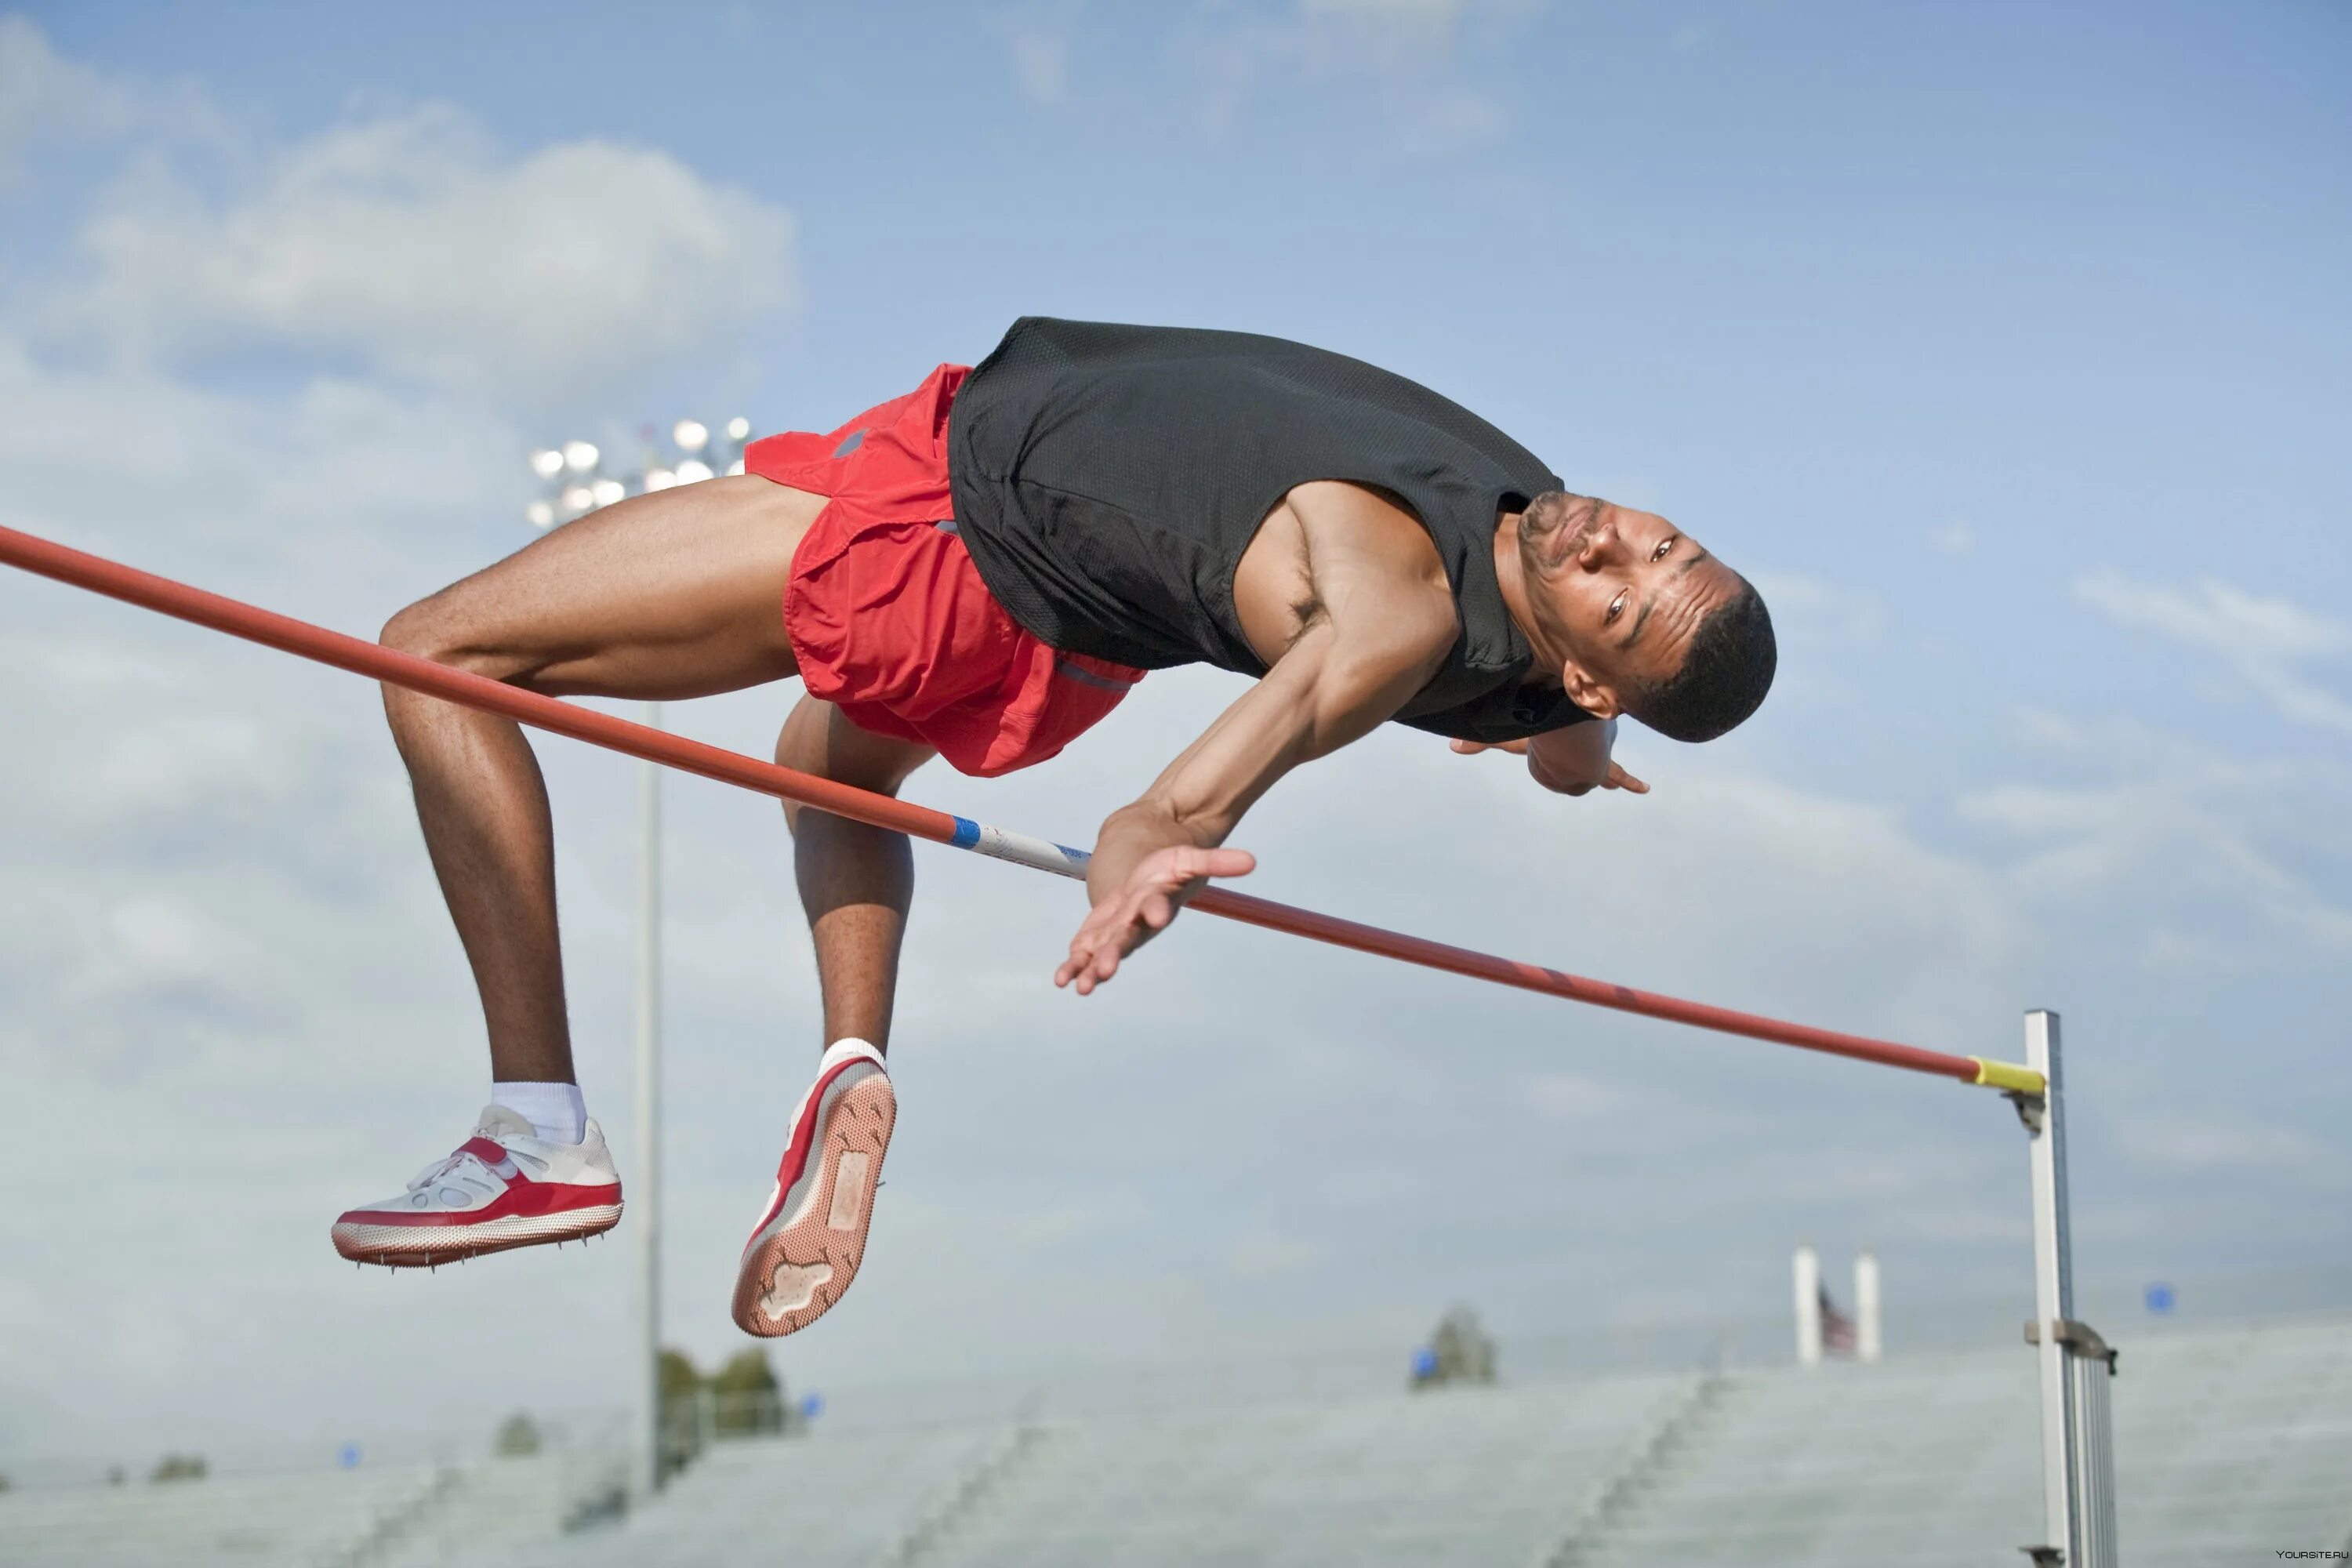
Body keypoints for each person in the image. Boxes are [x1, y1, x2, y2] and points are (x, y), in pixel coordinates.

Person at [334, 318, 1776, 1338]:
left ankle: (538, 1132)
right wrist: (1574, 759)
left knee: (443, 655)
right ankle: (850, 1060)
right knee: (823, 777)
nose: (1608, 541)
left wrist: (1156, 838)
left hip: (948, 524)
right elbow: (1571, 718)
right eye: (1656, 544)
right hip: (1061, 611)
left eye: (1619, 590)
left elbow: (1198, 785)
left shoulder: (1398, 612)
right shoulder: (1546, 606)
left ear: (1587, 658)